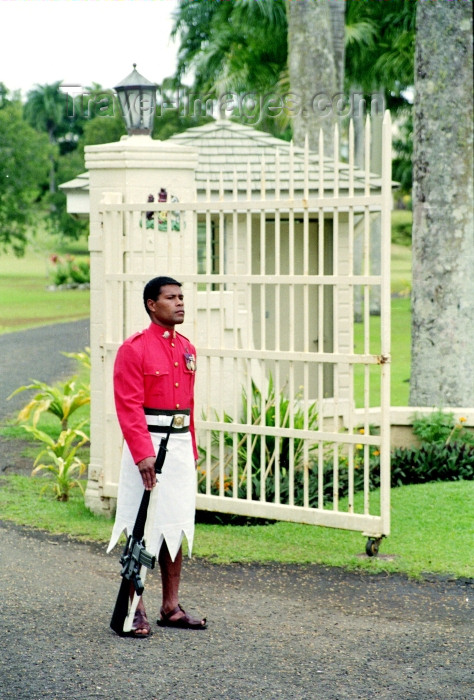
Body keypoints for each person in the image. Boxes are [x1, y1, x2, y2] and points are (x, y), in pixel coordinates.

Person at [107, 276, 206, 637]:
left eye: (182, 297)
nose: (180, 303)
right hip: (147, 446)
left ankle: (171, 606)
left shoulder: (187, 348)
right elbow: (128, 405)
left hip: (178, 445)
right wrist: (143, 453)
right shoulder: (134, 348)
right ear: (152, 304)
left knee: (175, 524)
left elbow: (189, 407)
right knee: (142, 525)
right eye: (171, 297)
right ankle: (134, 609)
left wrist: (190, 450)